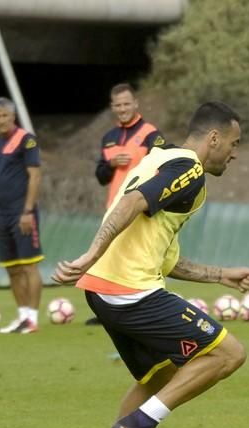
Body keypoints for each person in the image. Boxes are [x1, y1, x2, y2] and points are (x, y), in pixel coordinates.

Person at [53, 101, 249, 428]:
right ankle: (140, 425)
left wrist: (220, 275)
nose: (235, 152)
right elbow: (132, 203)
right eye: (233, 142)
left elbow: (165, 259)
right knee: (229, 354)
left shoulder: (159, 157)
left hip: (103, 289)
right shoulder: (190, 170)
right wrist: (91, 252)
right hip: (129, 289)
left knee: (159, 376)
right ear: (213, 138)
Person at [87, 83, 166, 326]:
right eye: (117, 105)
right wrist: (111, 165)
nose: (122, 109)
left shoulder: (151, 134)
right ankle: (108, 311)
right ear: (113, 107)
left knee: (143, 259)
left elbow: (163, 169)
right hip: (114, 208)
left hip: (141, 208)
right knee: (109, 259)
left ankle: (156, 306)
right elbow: (101, 176)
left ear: (136, 103)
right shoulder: (109, 138)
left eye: (126, 104)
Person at [0, 97, 44, 334]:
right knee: (12, 268)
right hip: (3, 215)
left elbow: (35, 176)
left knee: (29, 266)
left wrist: (27, 211)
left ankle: (33, 320)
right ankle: (22, 317)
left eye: (5, 115)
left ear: (13, 116)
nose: (1, 120)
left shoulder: (26, 140)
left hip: (23, 214)